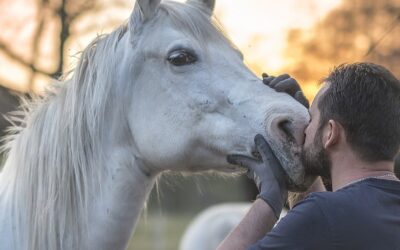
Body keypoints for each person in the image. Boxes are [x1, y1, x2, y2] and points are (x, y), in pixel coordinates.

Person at [217, 62, 400, 250]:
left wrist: (268, 203)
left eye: (311, 118)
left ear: (330, 133)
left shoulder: (323, 214)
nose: (305, 129)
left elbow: (327, 219)